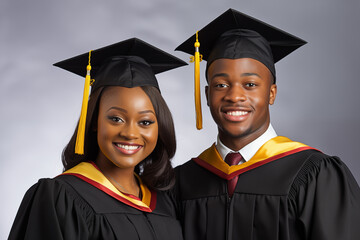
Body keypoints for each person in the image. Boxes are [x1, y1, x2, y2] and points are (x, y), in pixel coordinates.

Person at [173, 8, 360, 240]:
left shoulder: (315, 175)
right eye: (221, 85)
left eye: (250, 84)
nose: (234, 96)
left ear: (271, 94)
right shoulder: (181, 182)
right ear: (207, 94)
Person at [9, 38, 186, 240]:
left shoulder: (165, 201)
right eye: (116, 119)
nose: (130, 133)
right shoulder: (62, 197)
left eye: (145, 122)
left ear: (160, 127)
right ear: (94, 121)